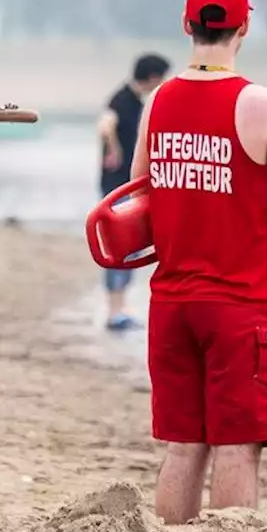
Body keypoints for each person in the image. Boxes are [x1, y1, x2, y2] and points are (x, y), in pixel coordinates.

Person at [131, 0, 267, 525]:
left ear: (187, 25)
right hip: (240, 303)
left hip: (173, 300)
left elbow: (139, 199)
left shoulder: (159, 102)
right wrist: (258, 262)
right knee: (237, 444)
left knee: (184, 445)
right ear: (245, 26)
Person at [97, 53, 172, 330]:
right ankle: (114, 311)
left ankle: (121, 307)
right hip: (118, 190)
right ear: (153, 77)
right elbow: (105, 125)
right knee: (121, 248)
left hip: (125, 188)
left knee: (131, 248)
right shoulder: (121, 99)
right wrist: (114, 148)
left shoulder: (137, 102)